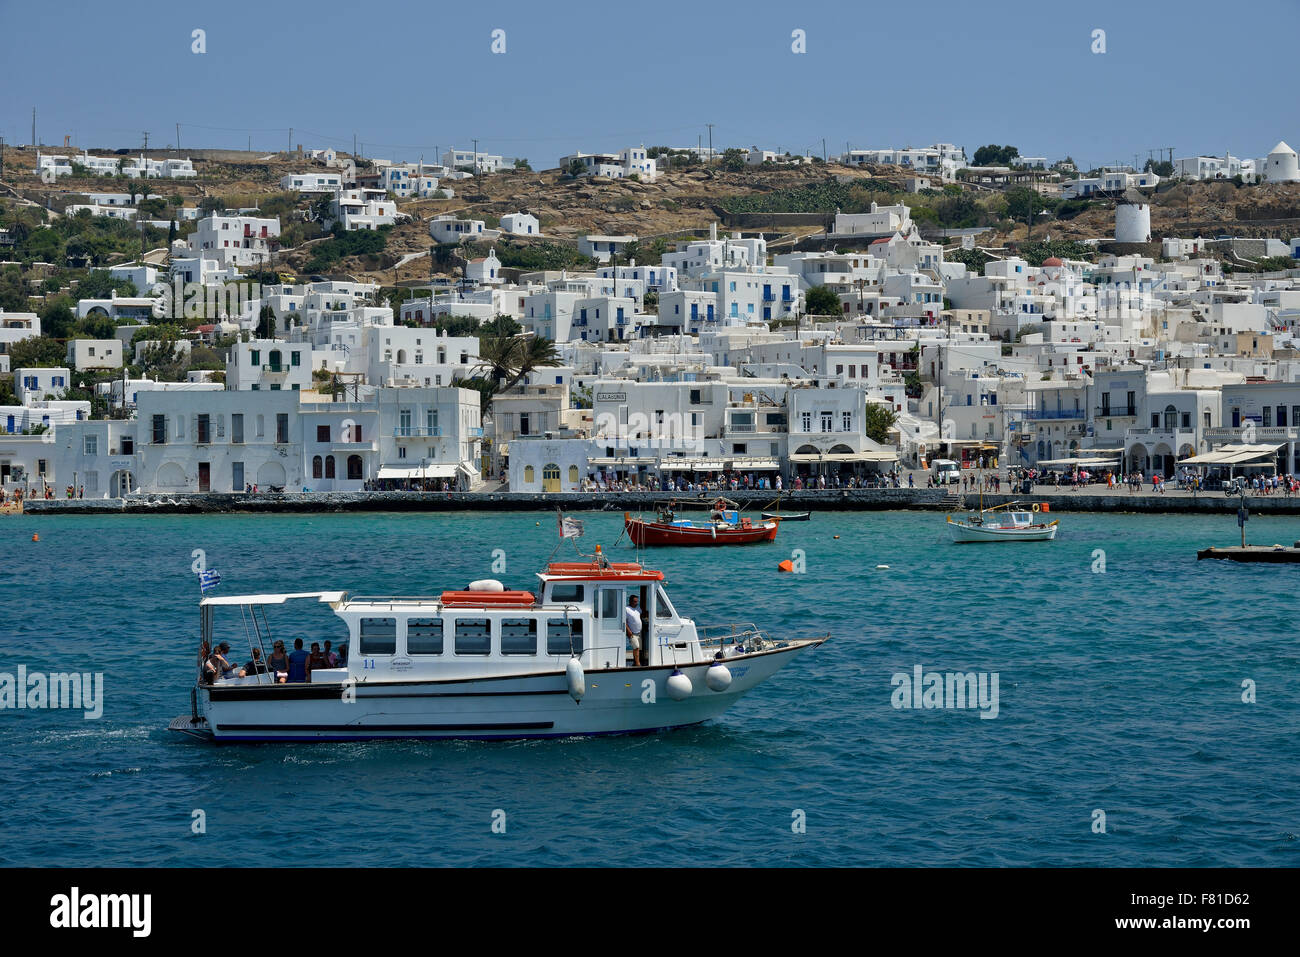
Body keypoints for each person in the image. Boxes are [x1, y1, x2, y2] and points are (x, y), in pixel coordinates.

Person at [624, 594, 643, 666]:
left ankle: (635, 662)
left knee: (637, 649)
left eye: (637, 601)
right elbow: (624, 621)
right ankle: (638, 664)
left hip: (639, 633)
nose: (636, 603)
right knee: (636, 647)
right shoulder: (626, 609)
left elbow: (641, 614)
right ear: (630, 601)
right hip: (632, 633)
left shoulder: (637, 608)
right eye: (635, 601)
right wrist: (629, 632)